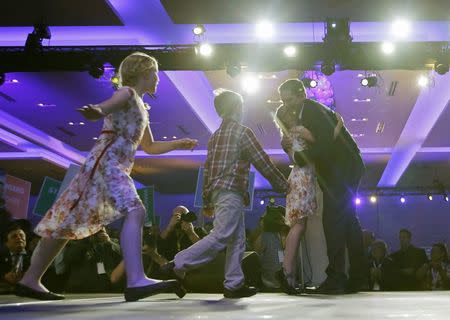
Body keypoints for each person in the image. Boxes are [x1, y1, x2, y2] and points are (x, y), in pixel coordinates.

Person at [15, 52, 198, 301]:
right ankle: (135, 280)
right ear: (144, 73)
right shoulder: (128, 93)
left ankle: (29, 279)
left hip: (111, 165)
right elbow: (107, 105)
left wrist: (179, 144)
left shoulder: (141, 106)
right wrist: (97, 110)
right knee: (136, 211)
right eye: (155, 73)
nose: (158, 78)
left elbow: (150, 147)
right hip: (107, 163)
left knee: (68, 220)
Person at [163, 89, 289, 298]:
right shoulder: (242, 132)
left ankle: (233, 284)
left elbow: (208, 169)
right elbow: (262, 162)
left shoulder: (215, 137)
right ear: (238, 108)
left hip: (219, 192)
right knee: (222, 235)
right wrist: (284, 186)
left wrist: (206, 200)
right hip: (231, 191)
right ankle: (177, 264)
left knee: (237, 240)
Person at [277, 79, 367, 294]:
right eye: (283, 101)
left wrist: (299, 157)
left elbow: (325, 145)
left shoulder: (312, 110)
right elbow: (325, 143)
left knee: (333, 221)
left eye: (289, 100)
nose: (286, 105)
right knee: (348, 222)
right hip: (345, 168)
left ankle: (337, 278)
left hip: (342, 170)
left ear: (301, 95)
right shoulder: (305, 113)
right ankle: (357, 278)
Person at [274, 88, 343, 294]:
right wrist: (338, 127)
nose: (291, 109)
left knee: (298, 226)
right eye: (286, 109)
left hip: (300, 178)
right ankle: (286, 272)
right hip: (303, 179)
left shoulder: (287, 137)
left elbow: (295, 155)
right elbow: (322, 142)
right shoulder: (296, 131)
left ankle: (288, 273)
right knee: (298, 227)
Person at [0, 224, 30, 293]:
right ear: (6, 243)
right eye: (14, 236)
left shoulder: (33, 255)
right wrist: (4, 277)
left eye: (21, 235)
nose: (19, 238)